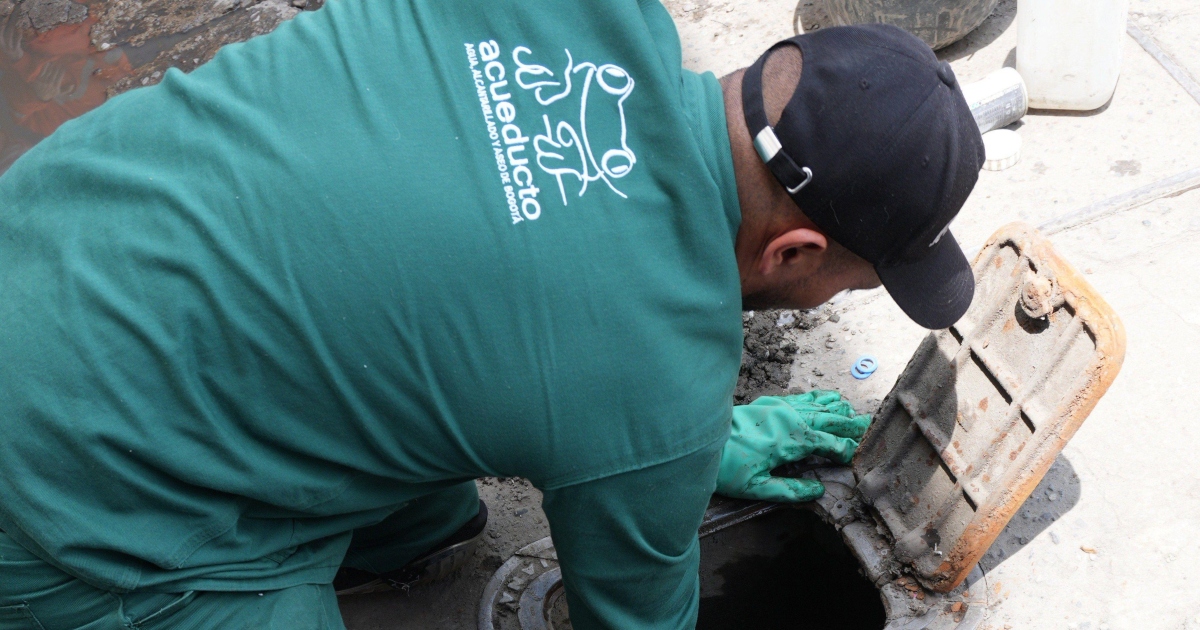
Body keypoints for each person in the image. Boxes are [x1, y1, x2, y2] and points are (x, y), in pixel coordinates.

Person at [0, 0, 984, 627]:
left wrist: (667, 455)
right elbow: (637, 622)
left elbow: (512, 253)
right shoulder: (651, 374)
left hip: (48, 233)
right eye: (852, 283)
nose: (830, 297)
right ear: (796, 252)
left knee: (435, 506)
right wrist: (656, 454)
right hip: (60, 495)